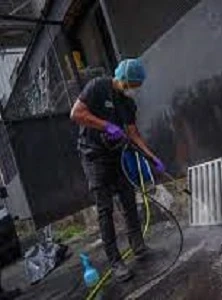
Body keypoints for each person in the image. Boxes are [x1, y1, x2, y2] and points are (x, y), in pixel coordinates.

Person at [70, 58, 165, 282]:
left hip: (116, 155)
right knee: (105, 210)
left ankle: (138, 246)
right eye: (130, 84)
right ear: (121, 77)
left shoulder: (128, 104)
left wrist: (152, 158)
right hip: (93, 156)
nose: (132, 90)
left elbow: (133, 134)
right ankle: (115, 262)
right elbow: (76, 114)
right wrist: (106, 125)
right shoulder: (97, 87)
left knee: (129, 200)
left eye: (135, 87)